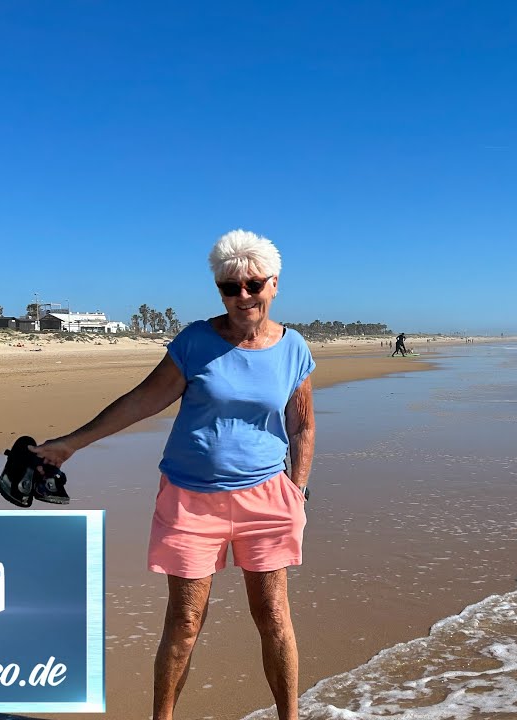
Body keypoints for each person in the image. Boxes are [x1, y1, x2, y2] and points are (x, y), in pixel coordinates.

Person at [33, 230, 315, 720]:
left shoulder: (293, 349)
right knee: (185, 621)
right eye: (230, 288)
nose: (242, 296)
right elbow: (142, 400)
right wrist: (69, 444)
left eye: (253, 285)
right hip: (191, 500)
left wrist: (299, 488)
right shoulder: (195, 342)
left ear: (274, 285)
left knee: (272, 617)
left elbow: (302, 422)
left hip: (268, 500)